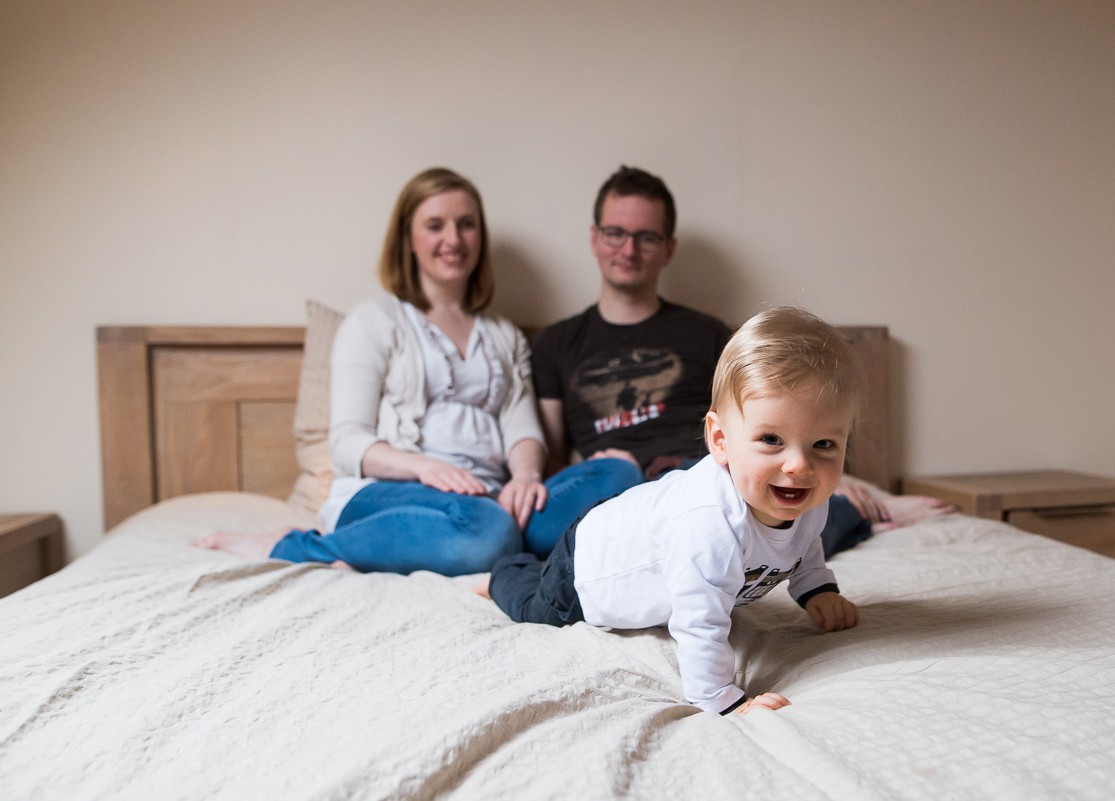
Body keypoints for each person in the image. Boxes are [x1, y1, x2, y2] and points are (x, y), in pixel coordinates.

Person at [193, 168, 642, 573]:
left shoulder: (504, 335)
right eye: (435, 226)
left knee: (619, 475)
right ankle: (300, 547)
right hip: (390, 496)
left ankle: (500, 545)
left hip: (491, 501)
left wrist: (524, 477)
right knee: (484, 529)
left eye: (467, 224)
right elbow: (348, 443)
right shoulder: (372, 321)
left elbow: (522, 426)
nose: (454, 239)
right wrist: (425, 468)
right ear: (408, 238)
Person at [532, 165, 953, 557]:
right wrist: (595, 470)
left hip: (705, 474)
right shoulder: (556, 342)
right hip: (615, 483)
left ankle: (858, 510)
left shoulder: (706, 333)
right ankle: (857, 516)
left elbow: (772, 422)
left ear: (668, 248)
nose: (628, 249)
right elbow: (551, 460)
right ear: (594, 238)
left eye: (646, 237)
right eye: (614, 233)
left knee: (764, 508)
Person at [487, 306, 861, 715]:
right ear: (720, 439)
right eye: (771, 439)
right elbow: (699, 623)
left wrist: (816, 589)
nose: (799, 466)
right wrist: (721, 699)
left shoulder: (807, 496)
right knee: (535, 609)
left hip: (640, 527)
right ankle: (506, 570)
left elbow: (804, 546)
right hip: (587, 567)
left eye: (823, 445)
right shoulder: (710, 525)